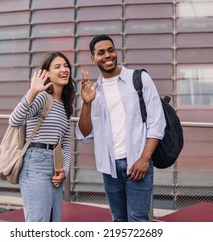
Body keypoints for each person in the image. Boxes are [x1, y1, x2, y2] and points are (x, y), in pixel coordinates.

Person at [75, 35, 166, 222]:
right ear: (93, 58)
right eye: (101, 53)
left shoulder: (139, 78)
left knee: (138, 220)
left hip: (137, 162)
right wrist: (86, 103)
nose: (108, 55)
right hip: (110, 167)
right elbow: (85, 134)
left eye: (111, 50)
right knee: (118, 220)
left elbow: (157, 122)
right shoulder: (93, 91)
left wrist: (144, 158)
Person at [9, 51, 75, 222]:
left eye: (66, 66)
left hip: (55, 166)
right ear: (47, 73)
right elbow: (14, 120)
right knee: (38, 221)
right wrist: (32, 91)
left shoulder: (67, 105)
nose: (64, 70)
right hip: (35, 163)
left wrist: (64, 170)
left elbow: (66, 142)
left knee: (53, 221)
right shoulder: (42, 98)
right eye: (57, 66)